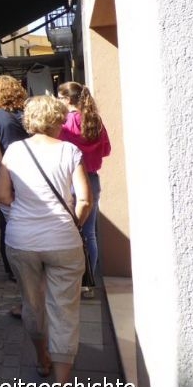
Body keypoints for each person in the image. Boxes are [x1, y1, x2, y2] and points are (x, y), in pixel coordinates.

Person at [0, 95, 92, 387]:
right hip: (63, 240)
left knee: (32, 305)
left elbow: (2, 195)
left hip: (22, 241)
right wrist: (73, 223)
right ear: (59, 120)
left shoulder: (14, 151)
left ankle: (42, 359)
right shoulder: (70, 151)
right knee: (64, 310)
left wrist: (20, 220)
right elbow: (85, 200)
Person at [57, 82, 111, 299]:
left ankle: (74, 281)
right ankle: (89, 282)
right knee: (89, 233)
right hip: (92, 178)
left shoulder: (66, 122)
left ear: (67, 99)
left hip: (71, 180)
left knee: (70, 231)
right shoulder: (94, 119)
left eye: (60, 98)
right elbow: (106, 149)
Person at [0, 75, 30, 283]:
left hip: (10, 175)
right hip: (35, 173)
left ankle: (13, 268)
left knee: (9, 224)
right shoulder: (29, 113)